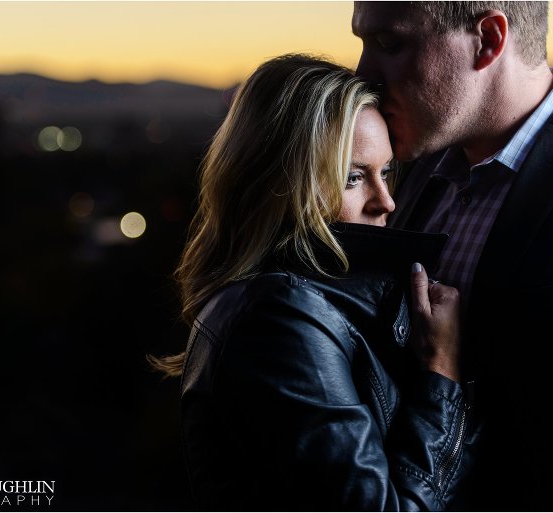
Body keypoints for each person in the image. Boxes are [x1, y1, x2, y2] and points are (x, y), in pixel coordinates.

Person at [151, 54, 478, 510]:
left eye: (386, 173)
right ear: (281, 185)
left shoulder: (310, 302)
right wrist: (442, 374)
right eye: (352, 178)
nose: (385, 202)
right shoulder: (279, 319)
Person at [352, 2, 553, 510]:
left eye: (390, 45)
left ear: (489, 40)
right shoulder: (401, 166)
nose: (363, 74)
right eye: (363, 44)